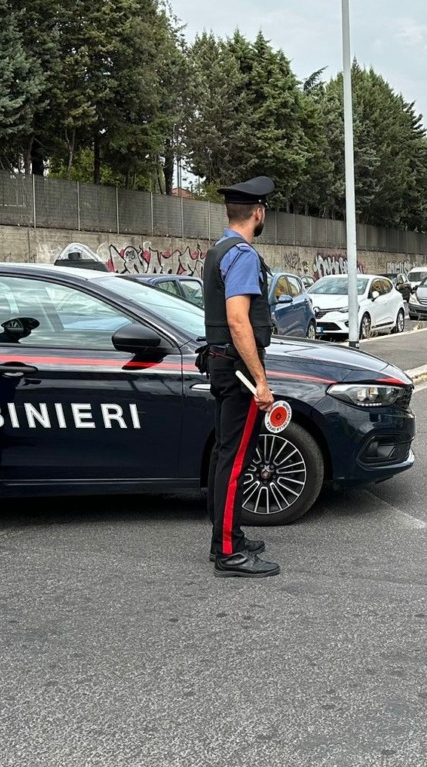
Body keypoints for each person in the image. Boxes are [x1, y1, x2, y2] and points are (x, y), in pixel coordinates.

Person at [201, 176, 281, 578]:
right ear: (258, 212)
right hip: (237, 370)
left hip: (219, 363)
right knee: (234, 460)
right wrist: (260, 380)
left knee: (223, 455)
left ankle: (225, 537)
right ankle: (229, 552)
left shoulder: (217, 251)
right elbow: (238, 319)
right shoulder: (244, 255)